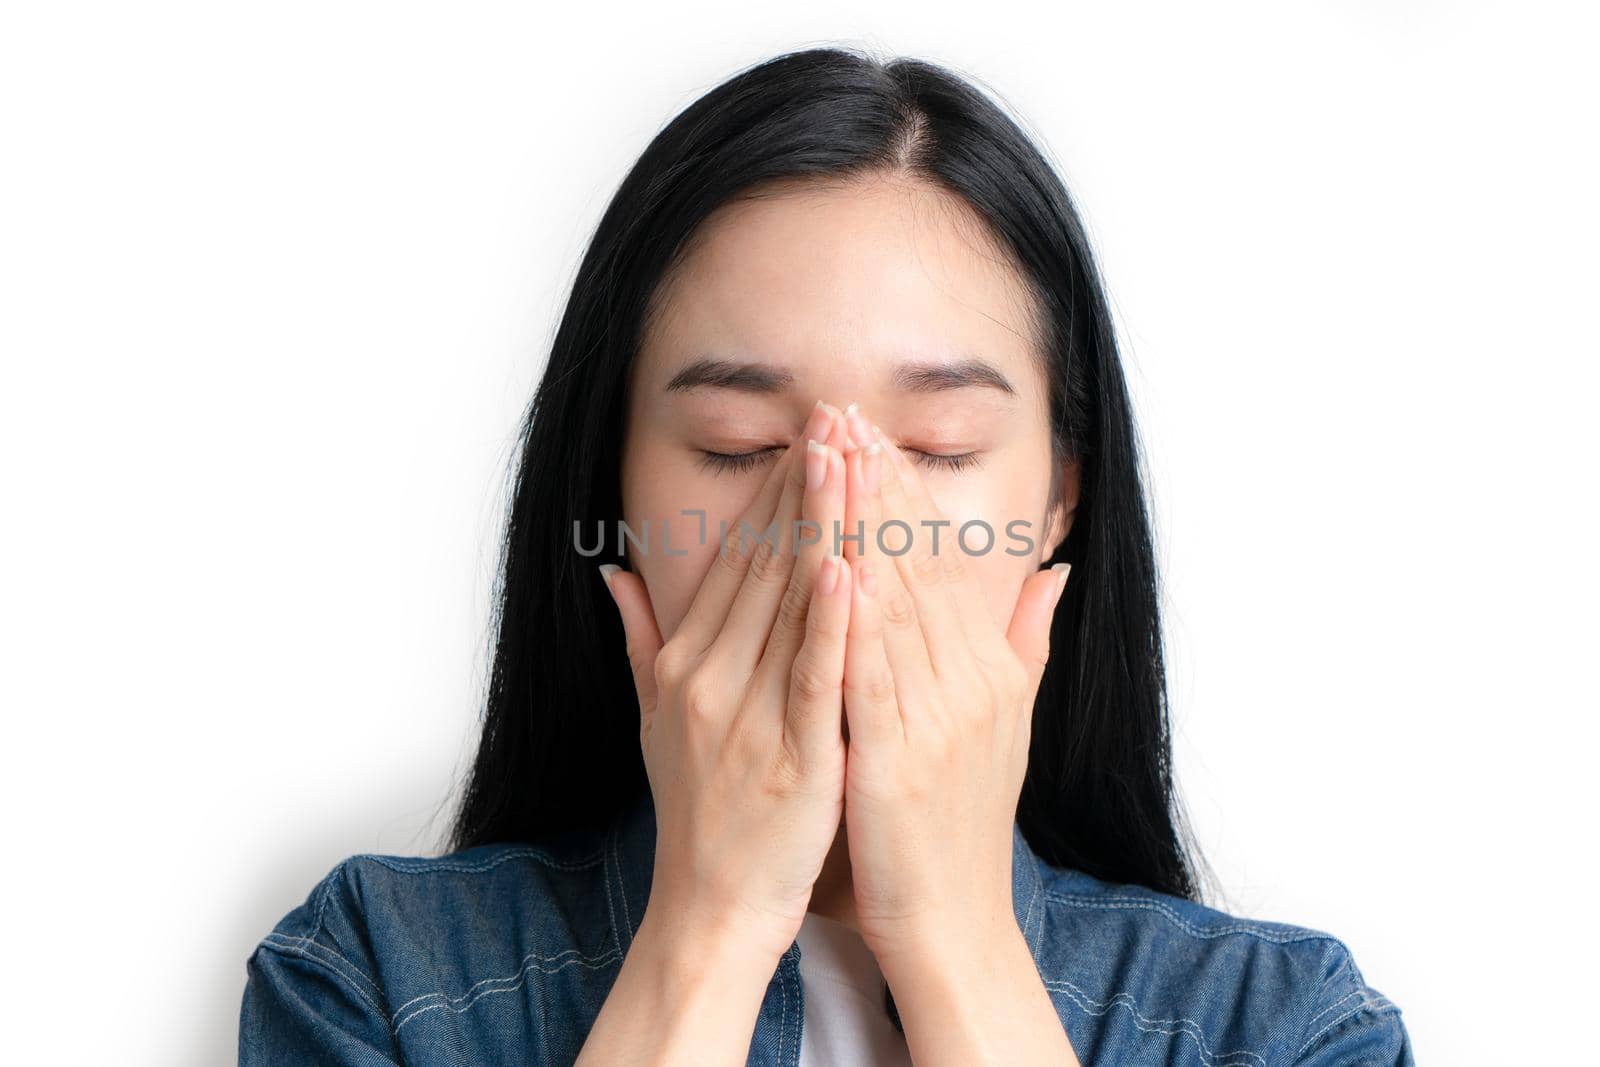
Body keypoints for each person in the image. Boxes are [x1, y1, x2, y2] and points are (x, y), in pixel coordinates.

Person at [239, 46, 1413, 1066]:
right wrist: (709, 923)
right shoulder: (373, 977)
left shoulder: (1288, 1027)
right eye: (739, 442)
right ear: (614, 485)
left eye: (936, 448)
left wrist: (958, 935)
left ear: (1060, 498)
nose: (835, 528)